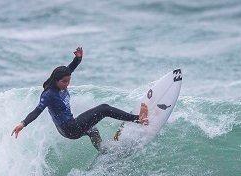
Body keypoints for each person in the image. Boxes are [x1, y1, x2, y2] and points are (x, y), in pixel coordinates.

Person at [11, 47, 148, 151]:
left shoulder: (62, 81)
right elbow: (36, 111)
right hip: (69, 128)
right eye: (64, 81)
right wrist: (22, 124)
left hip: (69, 125)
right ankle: (138, 119)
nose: (67, 84)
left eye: (68, 80)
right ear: (56, 80)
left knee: (93, 130)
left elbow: (71, 68)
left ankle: (103, 150)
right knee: (104, 109)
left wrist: (78, 58)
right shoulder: (49, 94)